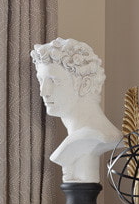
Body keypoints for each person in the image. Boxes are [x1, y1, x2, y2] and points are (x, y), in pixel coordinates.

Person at [31, 37, 121, 184]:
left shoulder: (96, 136)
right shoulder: (79, 138)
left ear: (84, 85)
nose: (43, 92)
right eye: (41, 80)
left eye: (53, 81)